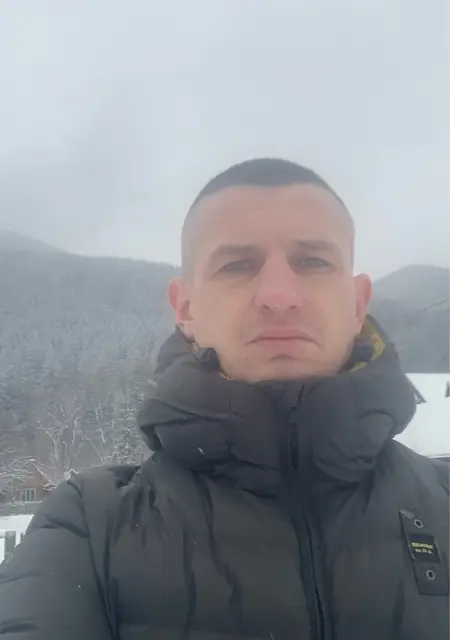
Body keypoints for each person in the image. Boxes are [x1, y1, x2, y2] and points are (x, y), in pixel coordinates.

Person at [0, 158, 448, 640]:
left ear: (358, 303)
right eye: (237, 264)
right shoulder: (89, 529)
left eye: (313, 261)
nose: (279, 296)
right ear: (186, 308)